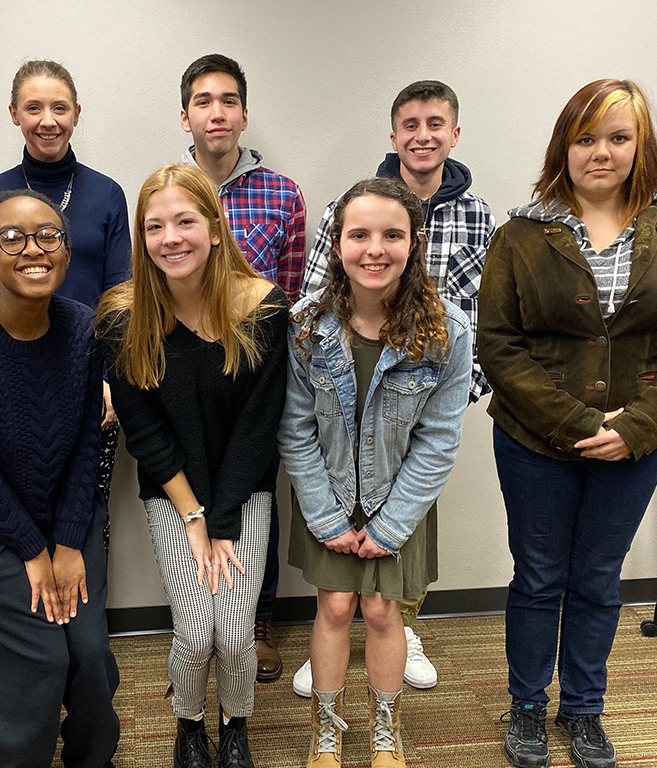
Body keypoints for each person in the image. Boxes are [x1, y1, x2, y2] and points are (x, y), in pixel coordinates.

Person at [477, 79, 657, 768]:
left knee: (598, 577)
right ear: (564, 144)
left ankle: (584, 709)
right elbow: (499, 344)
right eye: (586, 137)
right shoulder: (521, 234)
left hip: (638, 443)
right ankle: (528, 706)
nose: (601, 151)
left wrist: (642, 423)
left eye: (618, 137)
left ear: (640, 146)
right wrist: (580, 422)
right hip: (535, 440)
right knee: (538, 576)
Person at [295, 80, 495, 695]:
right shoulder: (349, 208)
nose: (423, 135)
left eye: (436, 123)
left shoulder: (479, 214)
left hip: (426, 388)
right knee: (337, 590)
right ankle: (334, 635)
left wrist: (454, 393)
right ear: (394, 135)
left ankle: (401, 630)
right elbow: (314, 297)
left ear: (454, 134)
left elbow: (487, 310)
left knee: (395, 557)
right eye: (410, 124)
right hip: (345, 386)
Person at [97, 164, 288, 768]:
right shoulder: (121, 317)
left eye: (185, 221)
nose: (171, 238)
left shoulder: (262, 306)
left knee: (235, 634)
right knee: (194, 629)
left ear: (214, 225)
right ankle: (189, 721)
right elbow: (145, 434)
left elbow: (261, 427)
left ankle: (235, 722)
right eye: (155, 226)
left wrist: (223, 517)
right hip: (174, 492)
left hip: (242, 489)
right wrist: (194, 515)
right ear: (141, 237)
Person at [0, 189, 119, 768]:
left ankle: (91, 758)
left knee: (88, 654)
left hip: (69, 512)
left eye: (48, 236)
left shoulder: (88, 331)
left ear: (66, 250)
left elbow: (90, 444)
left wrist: (65, 541)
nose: (33, 249)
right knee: (38, 659)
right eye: (12, 237)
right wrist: (34, 551)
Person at [279, 177, 471, 767]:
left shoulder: (447, 332)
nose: (375, 249)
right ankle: (327, 733)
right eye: (359, 235)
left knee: (385, 611)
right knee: (335, 606)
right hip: (327, 494)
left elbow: (438, 443)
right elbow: (295, 429)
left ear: (414, 243)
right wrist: (323, 513)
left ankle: (386, 733)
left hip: (400, 499)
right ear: (337, 244)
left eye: (392, 235)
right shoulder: (306, 327)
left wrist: (390, 526)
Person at [179, 52, 307, 682]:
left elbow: (292, 295)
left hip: (256, 373)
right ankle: (201, 615)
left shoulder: (281, 194)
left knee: (259, 493)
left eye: (228, 100)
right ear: (185, 116)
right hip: (186, 371)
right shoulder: (168, 188)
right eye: (204, 101)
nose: (217, 112)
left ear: (244, 113)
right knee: (193, 488)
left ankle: (256, 624)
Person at [0, 60, 130, 548]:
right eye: (34, 107)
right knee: (15, 509)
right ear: (14, 114)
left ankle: (82, 613)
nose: (48, 120)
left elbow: (120, 294)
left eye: (59, 108)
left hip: (88, 376)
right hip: (7, 373)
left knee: (83, 508)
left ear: (76, 114)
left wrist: (111, 378)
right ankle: (29, 614)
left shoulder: (106, 193)